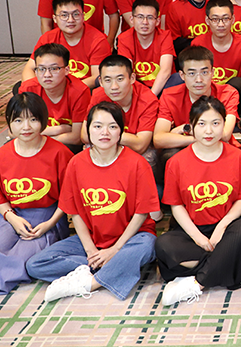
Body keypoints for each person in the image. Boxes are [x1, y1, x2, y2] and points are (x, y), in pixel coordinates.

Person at [25, 102, 160, 302]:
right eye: (97, 126)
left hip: (131, 238)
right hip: (93, 238)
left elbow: (141, 214)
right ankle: (110, 267)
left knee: (147, 246)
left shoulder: (138, 164)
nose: (105, 132)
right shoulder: (76, 163)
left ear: (121, 131)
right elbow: (74, 212)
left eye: (112, 126)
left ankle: (90, 283)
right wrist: (91, 251)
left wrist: (115, 250)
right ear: (88, 129)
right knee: (36, 264)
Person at [0, 93, 72, 296]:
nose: (26, 127)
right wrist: (13, 219)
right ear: (9, 123)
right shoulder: (1, 155)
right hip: (12, 215)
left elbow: (68, 197)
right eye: (18, 120)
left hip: (47, 219)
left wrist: (49, 224)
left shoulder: (59, 153)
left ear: (43, 120)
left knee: (20, 259)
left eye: (33, 119)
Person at [155, 96, 241, 306]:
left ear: (224, 125)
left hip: (226, 227)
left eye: (215, 123)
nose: (209, 131)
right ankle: (231, 260)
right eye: (201, 124)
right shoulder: (176, 162)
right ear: (191, 127)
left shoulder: (238, 157)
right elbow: (176, 206)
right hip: (191, 230)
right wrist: (197, 237)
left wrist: (222, 227)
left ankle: (196, 284)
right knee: (163, 245)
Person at [153, 45, 240, 187]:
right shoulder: (170, 96)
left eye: (204, 72)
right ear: (182, 75)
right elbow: (158, 139)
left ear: (213, 72)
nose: (199, 79)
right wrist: (194, 135)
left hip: (220, 149)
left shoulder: (228, 93)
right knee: (169, 156)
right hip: (187, 151)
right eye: (192, 73)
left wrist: (184, 130)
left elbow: (224, 135)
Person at [84, 56, 160, 192]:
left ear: (132, 78)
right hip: (112, 146)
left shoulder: (147, 99)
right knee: (87, 149)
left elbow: (141, 145)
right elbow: (85, 135)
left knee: (149, 157)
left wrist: (105, 132)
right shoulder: (98, 95)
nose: (114, 87)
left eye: (120, 79)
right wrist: (124, 137)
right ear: (100, 81)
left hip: (134, 153)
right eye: (108, 80)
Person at [23, 0, 111, 89]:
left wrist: (66, 91)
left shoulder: (98, 40)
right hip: (53, 85)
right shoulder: (48, 38)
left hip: (83, 87)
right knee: (22, 88)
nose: (70, 20)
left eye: (76, 14)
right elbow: (29, 68)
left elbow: (97, 77)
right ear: (55, 19)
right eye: (64, 15)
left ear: (83, 16)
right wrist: (34, 89)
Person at [18, 43, 90, 148]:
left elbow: (77, 138)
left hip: (65, 145)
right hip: (44, 139)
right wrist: (57, 130)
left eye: (54, 68)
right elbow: (14, 132)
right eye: (41, 69)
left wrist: (35, 136)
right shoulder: (28, 89)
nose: (47, 75)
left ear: (67, 70)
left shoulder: (80, 92)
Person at [192, 0, 241, 87]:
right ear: (207, 20)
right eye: (215, 19)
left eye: (225, 18)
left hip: (235, 93)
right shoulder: (197, 45)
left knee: (237, 82)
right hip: (205, 92)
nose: (221, 24)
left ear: (233, 19)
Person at [116, 0, 177, 96]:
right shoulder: (124, 38)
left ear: (157, 21)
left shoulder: (165, 36)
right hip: (137, 87)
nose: (145, 22)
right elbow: (126, 71)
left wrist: (150, 97)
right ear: (131, 19)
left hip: (162, 86)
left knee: (178, 79)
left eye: (150, 17)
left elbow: (166, 71)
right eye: (140, 17)